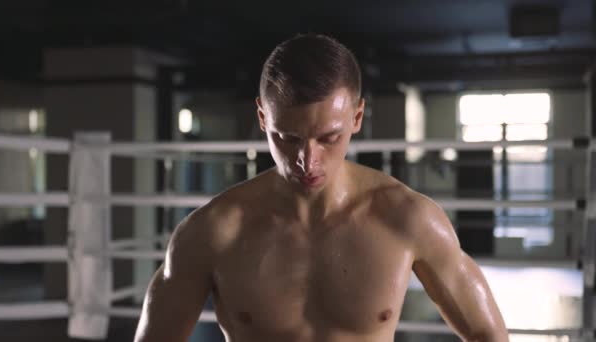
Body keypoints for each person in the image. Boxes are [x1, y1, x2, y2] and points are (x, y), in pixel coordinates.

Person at [134, 34, 508, 342]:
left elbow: (487, 335)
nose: (307, 161)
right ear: (263, 117)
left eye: (329, 138)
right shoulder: (213, 231)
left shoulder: (408, 218)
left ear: (357, 117)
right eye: (287, 138)